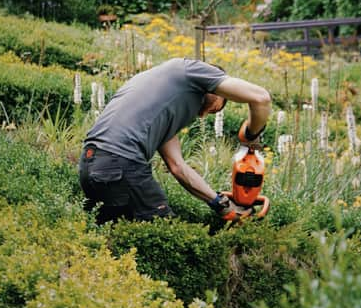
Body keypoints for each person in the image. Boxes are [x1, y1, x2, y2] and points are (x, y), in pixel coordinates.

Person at [79, 57, 271, 224]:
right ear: (214, 85)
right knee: (165, 234)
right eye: (215, 108)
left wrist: (220, 203)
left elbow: (178, 167)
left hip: (91, 165)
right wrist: (250, 136)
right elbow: (261, 98)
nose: (203, 114)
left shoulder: (164, 96)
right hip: (121, 161)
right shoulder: (191, 70)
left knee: (116, 239)